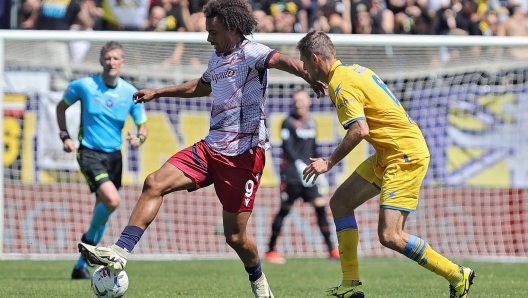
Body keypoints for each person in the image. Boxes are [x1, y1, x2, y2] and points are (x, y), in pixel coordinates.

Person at [78, 1, 325, 297]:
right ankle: (120, 252)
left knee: (236, 237)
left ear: (231, 28)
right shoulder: (215, 59)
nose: (209, 38)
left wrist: (308, 75)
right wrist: (158, 92)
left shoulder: (251, 52)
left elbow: (283, 61)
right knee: (154, 183)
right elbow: (201, 86)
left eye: (213, 32)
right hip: (210, 149)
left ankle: (259, 284)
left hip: (244, 155)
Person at [297, 30, 476, 298]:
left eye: (304, 63)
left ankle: (456, 274)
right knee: (340, 203)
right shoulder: (351, 72)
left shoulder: (341, 84)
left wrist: (329, 162)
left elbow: (360, 129)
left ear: (314, 58)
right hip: (388, 152)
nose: (304, 68)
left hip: (404, 155)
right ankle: (350, 286)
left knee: (391, 235)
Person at [57, 41, 148, 280]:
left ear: (122, 62)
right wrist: (64, 136)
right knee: (112, 200)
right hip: (89, 152)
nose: (111, 62)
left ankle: (80, 267)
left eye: (116, 58)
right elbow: (61, 107)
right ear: (101, 61)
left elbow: (143, 125)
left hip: (114, 156)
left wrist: (139, 138)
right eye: (108, 58)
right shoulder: (84, 86)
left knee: (105, 211)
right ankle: (89, 256)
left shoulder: (129, 92)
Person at [265, 89, 339, 264]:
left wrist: (319, 170)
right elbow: (287, 147)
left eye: (302, 100)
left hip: (310, 175)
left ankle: (332, 250)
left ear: (308, 102)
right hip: (292, 176)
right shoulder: (287, 122)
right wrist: (298, 164)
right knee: (284, 211)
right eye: (296, 100)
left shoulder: (312, 122)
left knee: (321, 208)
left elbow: (313, 149)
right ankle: (270, 251)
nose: (299, 103)